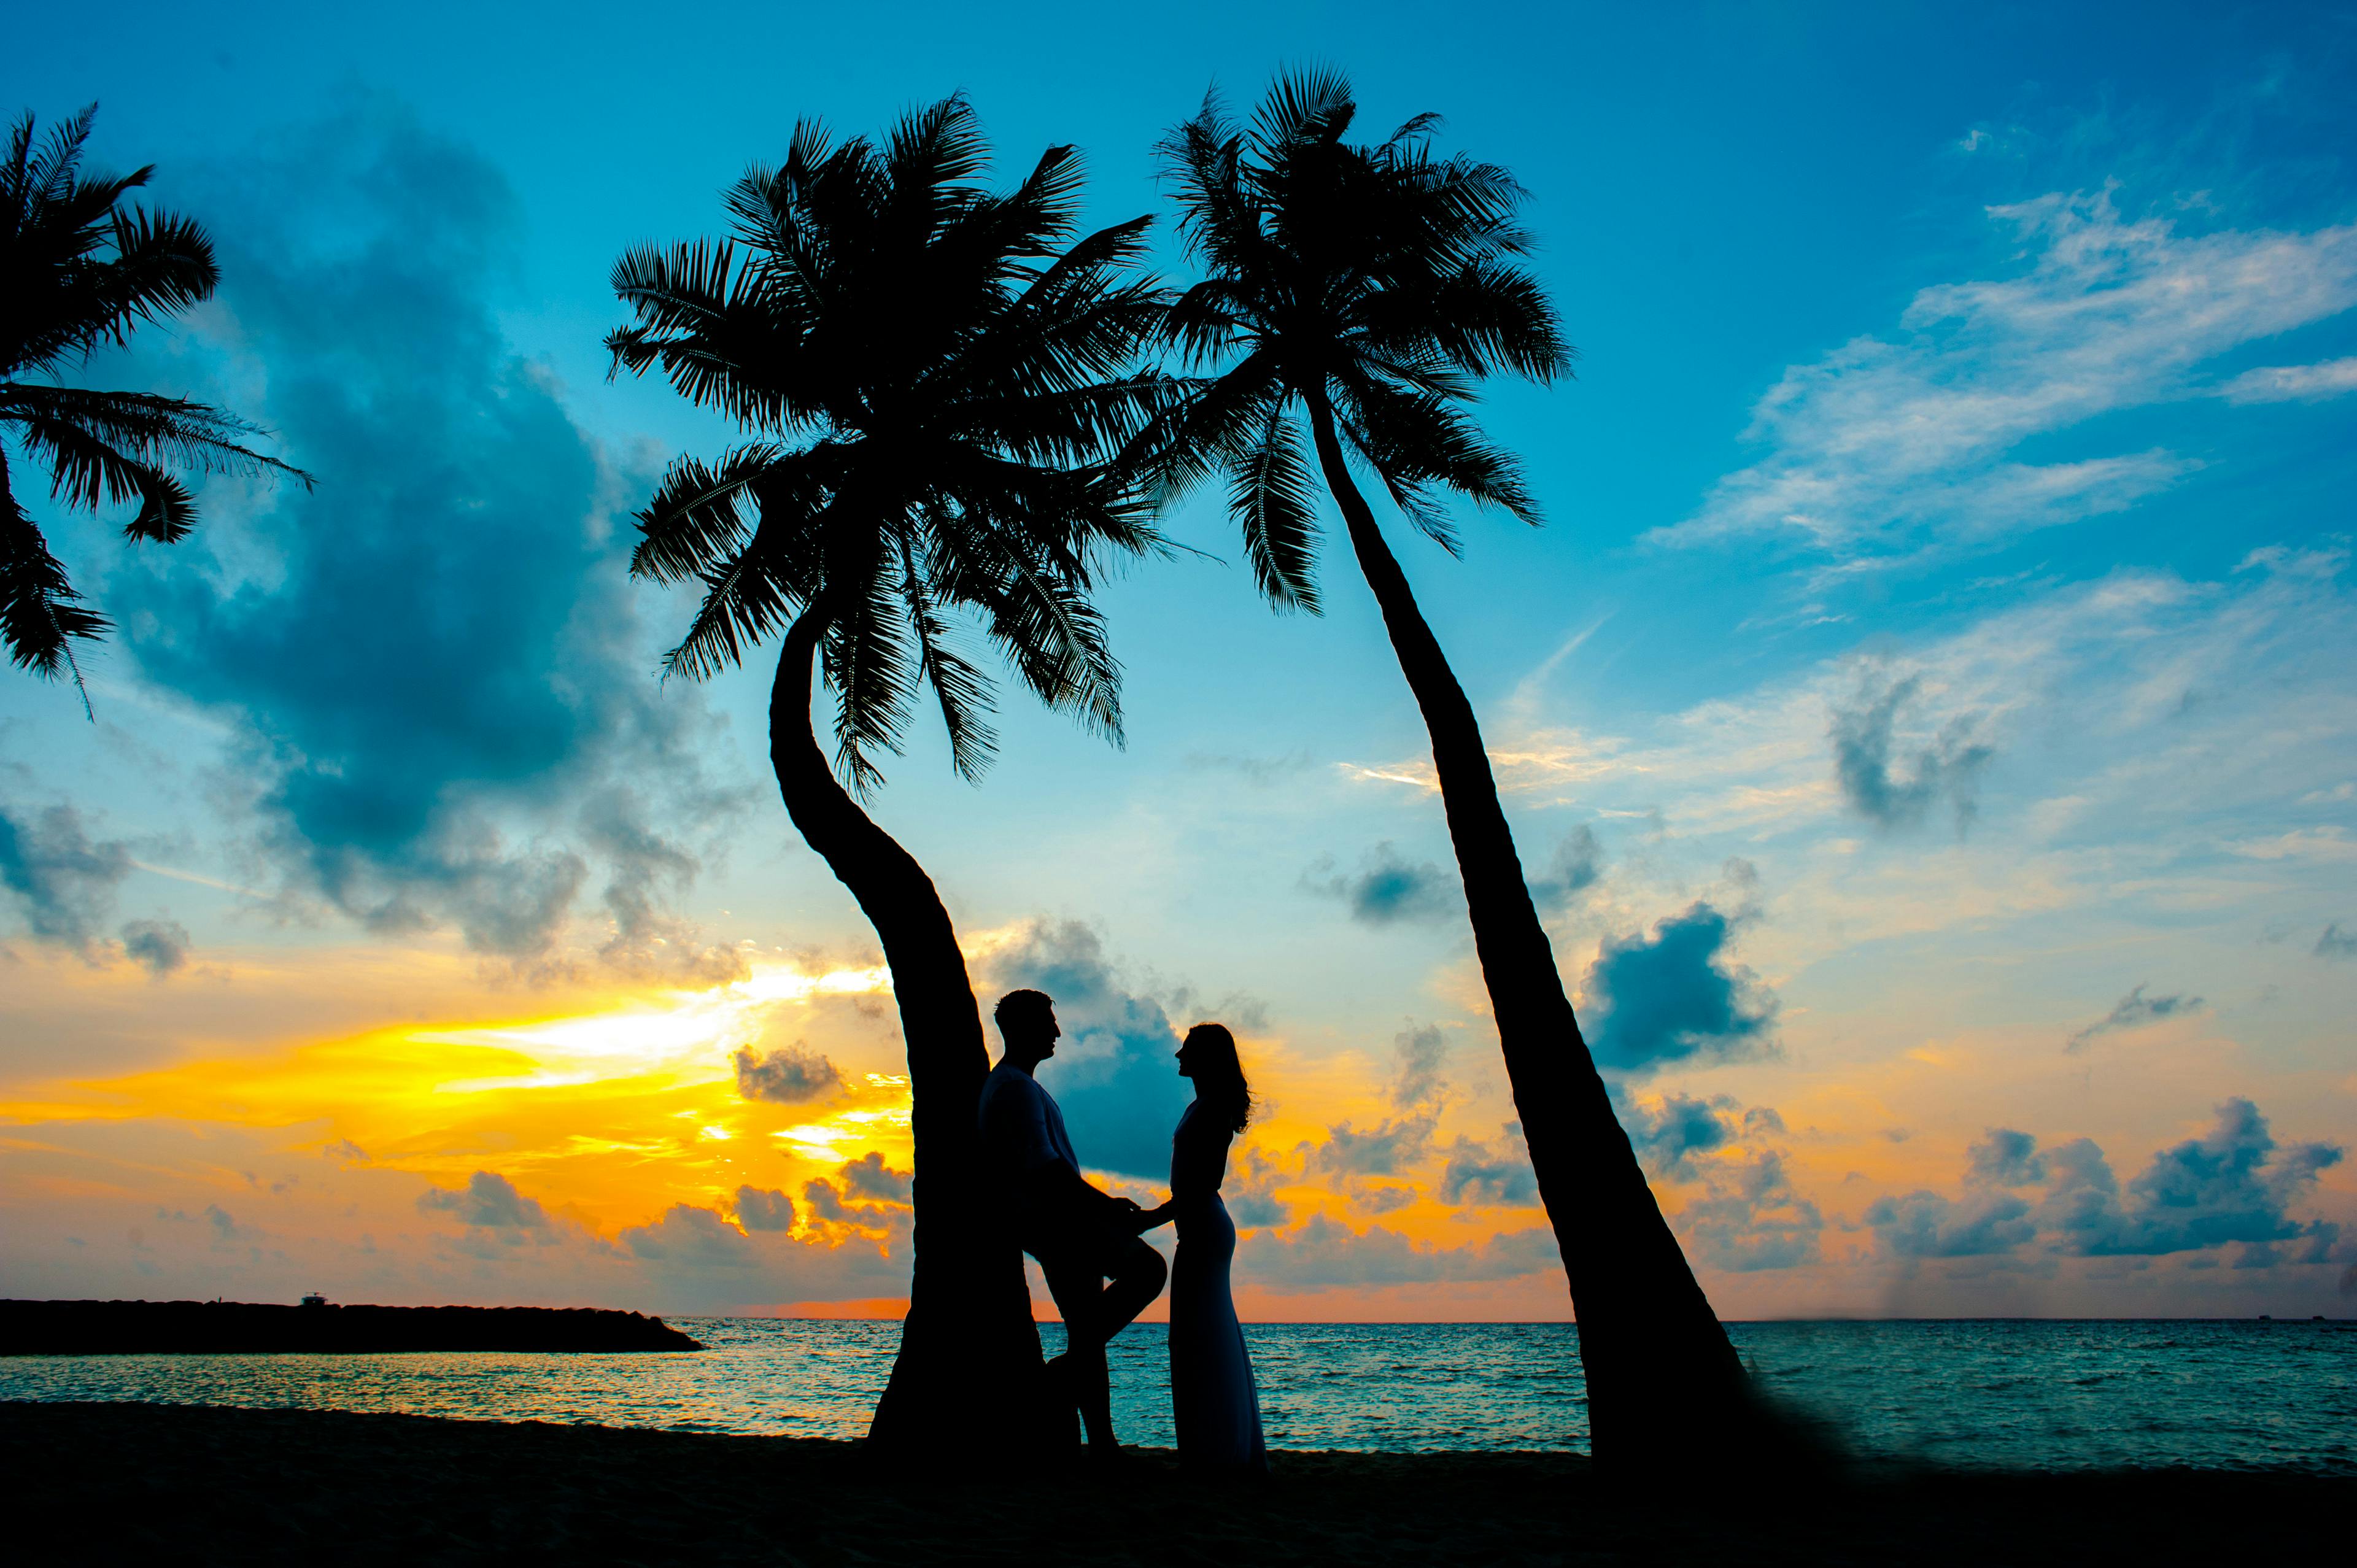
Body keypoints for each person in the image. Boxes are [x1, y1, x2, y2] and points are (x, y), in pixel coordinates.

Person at [977, 988, 1169, 1453]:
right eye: (1048, 1022)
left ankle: (1100, 1441)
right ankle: (1052, 1385)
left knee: (1087, 1327)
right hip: (1059, 1225)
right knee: (1148, 1271)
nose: (1058, 1032)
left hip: (1055, 1223)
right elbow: (1045, 1168)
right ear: (1022, 1028)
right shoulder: (1016, 1088)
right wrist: (1105, 1206)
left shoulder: (1018, 1086)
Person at [1141, 1022, 1269, 1475]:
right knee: (1199, 1335)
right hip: (1198, 1227)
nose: (1179, 1055)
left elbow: (1201, 1185)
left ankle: (1214, 1452)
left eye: (1188, 1049)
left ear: (1207, 1058)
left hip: (1204, 1228)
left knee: (1199, 1336)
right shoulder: (1202, 1105)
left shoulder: (1212, 1108)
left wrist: (1149, 1219)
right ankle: (1212, 1448)